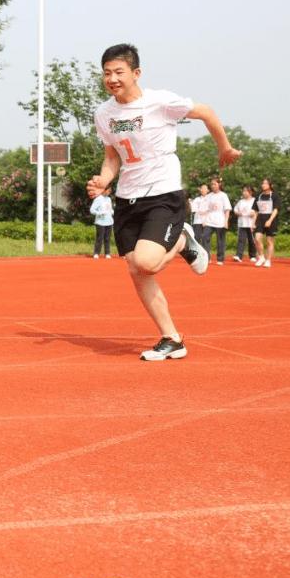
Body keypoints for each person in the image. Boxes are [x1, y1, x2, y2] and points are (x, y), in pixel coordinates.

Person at [86, 43, 240, 361]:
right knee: (137, 270)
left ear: (136, 73)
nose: (112, 79)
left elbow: (206, 112)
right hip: (127, 197)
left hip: (163, 194)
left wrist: (224, 147)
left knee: (146, 262)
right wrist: (103, 181)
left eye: (119, 72)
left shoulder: (159, 102)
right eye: (106, 73)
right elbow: (112, 157)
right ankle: (172, 338)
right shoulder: (104, 113)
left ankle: (182, 239)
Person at [201, 177, 231, 265]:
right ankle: (207, 257)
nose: (213, 186)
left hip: (220, 221)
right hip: (209, 221)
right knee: (204, 237)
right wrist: (204, 220)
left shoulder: (223, 195)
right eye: (212, 184)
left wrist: (226, 221)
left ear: (219, 185)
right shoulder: (209, 196)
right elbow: (206, 209)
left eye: (215, 184)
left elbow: (227, 209)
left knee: (220, 241)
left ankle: (220, 259)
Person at [252, 178, 279, 268]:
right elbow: (256, 211)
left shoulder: (274, 196)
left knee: (269, 241)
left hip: (271, 220)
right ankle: (261, 257)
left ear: (270, 185)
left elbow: (275, 210)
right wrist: (253, 222)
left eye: (266, 183)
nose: (263, 185)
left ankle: (268, 260)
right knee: (257, 238)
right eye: (262, 183)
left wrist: (270, 220)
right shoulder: (258, 196)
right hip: (260, 219)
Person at [232, 186, 257, 263]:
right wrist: (237, 213)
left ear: (251, 192)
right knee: (241, 240)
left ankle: (253, 256)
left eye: (246, 191)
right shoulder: (241, 201)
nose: (244, 193)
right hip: (242, 223)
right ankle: (238, 256)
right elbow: (235, 210)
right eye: (243, 191)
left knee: (251, 240)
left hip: (251, 223)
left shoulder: (254, 200)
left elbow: (257, 211)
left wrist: (254, 214)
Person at [89, 186, 114, 259]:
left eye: (110, 191)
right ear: (104, 190)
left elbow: (110, 208)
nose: (109, 192)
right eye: (108, 191)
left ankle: (107, 253)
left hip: (109, 222)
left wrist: (112, 211)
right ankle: (96, 253)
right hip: (100, 222)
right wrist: (99, 213)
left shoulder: (109, 199)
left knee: (107, 238)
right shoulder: (98, 199)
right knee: (99, 238)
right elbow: (92, 210)